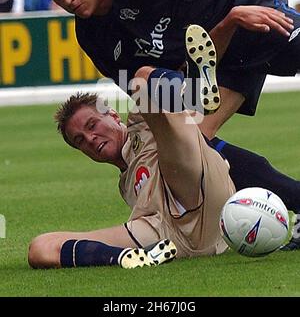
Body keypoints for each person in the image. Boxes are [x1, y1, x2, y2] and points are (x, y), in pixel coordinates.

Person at [28, 31, 300, 270]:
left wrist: (229, 21)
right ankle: (129, 258)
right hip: (164, 235)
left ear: (113, 115)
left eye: (92, 124)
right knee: (41, 248)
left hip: (201, 194)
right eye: (80, 140)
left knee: (142, 82)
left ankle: (194, 89)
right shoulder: (125, 184)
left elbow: (169, 71)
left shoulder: (138, 123)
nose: (90, 138)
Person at [22, 0, 297, 138]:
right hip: (216, 62)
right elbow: (147, 95)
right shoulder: (91, 38)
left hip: (244, 4)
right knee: (194, 143)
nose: (68, 0)